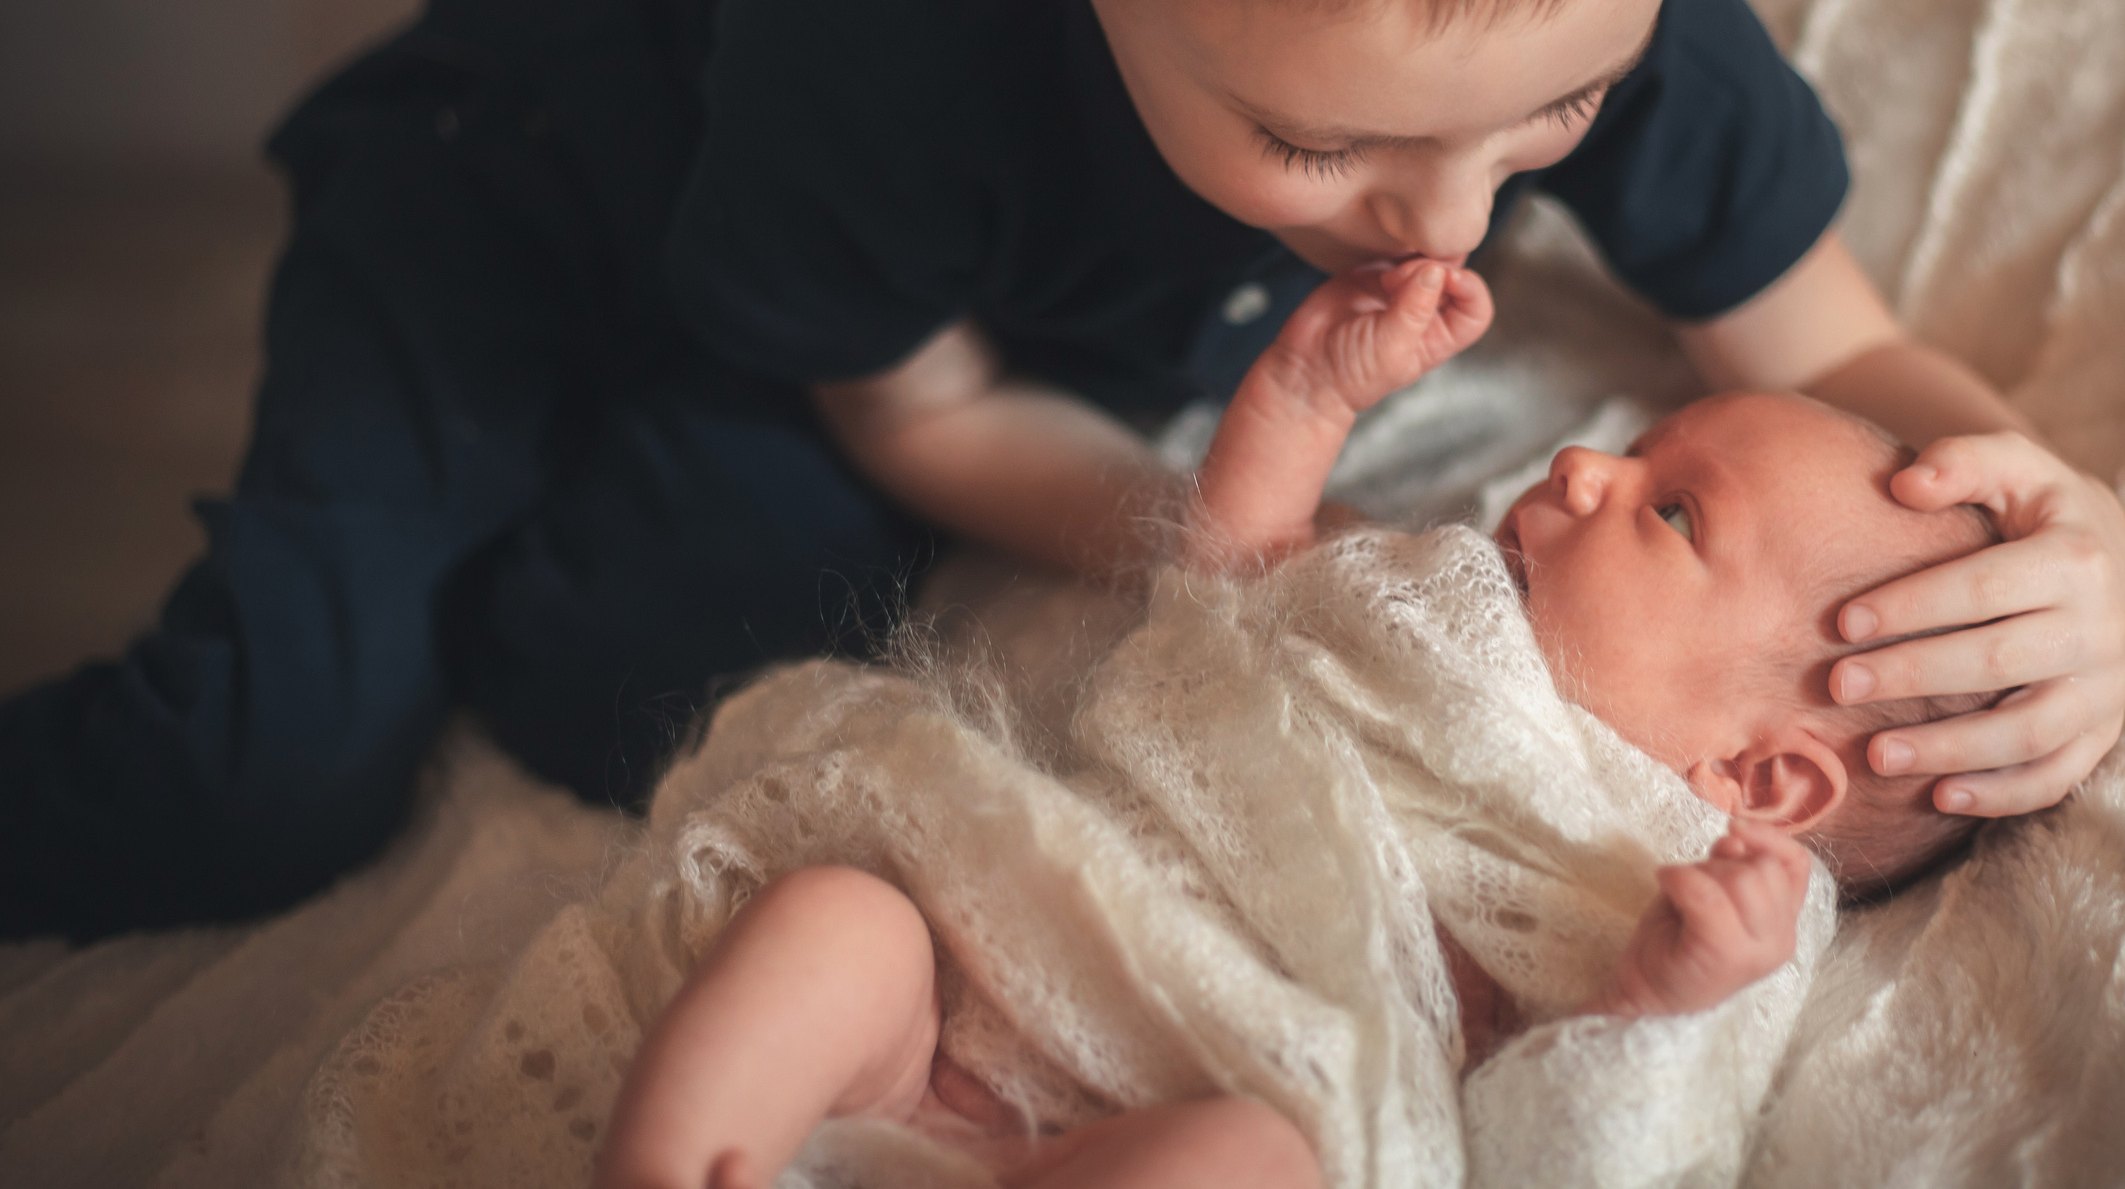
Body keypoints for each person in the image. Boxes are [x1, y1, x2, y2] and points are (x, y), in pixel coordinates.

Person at [0, 0, 2125, 943]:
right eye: (1318, 143)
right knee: (270, 771)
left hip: (899, 283)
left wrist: (2059, 522)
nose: (1444, 218)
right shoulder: (882, 24)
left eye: (1548, 111)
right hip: (519, 186)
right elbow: (917, 413)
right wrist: (1214, 546)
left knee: (614, 674)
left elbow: (1840, 361)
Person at [590, 259, 1992, 1189]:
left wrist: (1655, 1014)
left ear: (1761, 773)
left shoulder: (1685, 904)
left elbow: (1559, 1157)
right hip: (986, 973)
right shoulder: (1435, 597)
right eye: (1629, 451)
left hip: (1190, 1113)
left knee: (1249, 1166)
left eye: (1671, 510)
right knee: (844, 921)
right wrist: (1307, 398)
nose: (1580, 465)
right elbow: (1225, 592)